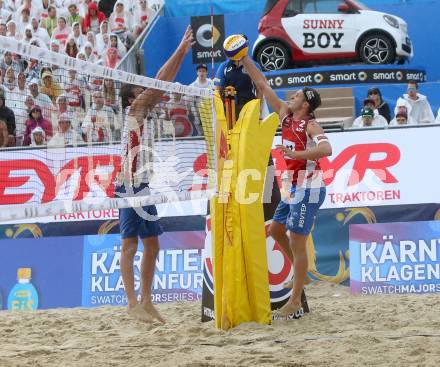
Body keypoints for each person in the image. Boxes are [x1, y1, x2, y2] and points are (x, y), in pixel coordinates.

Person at [240, 53, 332, 317]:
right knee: (277, 231)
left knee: (296, 241)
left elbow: (326, 148)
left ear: (305, 104)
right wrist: (244, 58)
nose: (291, 96)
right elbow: (262, 85)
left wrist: (298, 155)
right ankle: (303, 276)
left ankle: (293, 301)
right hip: (293, 189)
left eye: (297, 96)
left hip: (310, 189)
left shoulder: (310, 124)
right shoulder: (284, 115)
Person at [116, 26, 194, 323]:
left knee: (152, 244)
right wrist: (181, 50)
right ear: (132, 99)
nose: (147, 91)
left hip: (143, 185)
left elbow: (159, 81)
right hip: (129, 186)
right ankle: (132, 303)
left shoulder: (144, 115)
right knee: (130, 244)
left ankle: (147, 300)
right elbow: (160, 81)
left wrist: (182, 52)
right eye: (141, 89)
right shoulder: (134, 112)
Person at [215, 48, 262, 118]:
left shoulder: (255, 65)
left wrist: (259, 109)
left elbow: (259, 89)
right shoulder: (224, 66)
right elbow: (218, 91)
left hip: (249, 108)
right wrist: (222, 110)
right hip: (230, 109)